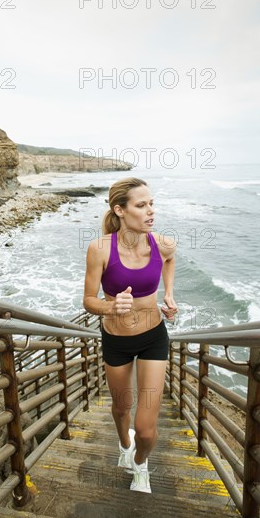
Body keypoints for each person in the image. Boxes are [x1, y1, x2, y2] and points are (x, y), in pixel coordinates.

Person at [83, 177, 178, 493]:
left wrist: (169, 294)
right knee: (122, 407)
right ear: (119, 210)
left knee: (147, 430)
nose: (151, 211)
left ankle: (141, 464)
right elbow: (88, 300)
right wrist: (110, 307)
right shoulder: (99, 249)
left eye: (152, 203)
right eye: (141, 205)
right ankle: (124, 446)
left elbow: (169, 260)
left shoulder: (162, 243)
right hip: (116, 341)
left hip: (154, 336)